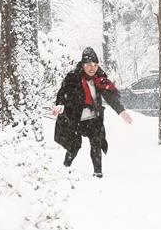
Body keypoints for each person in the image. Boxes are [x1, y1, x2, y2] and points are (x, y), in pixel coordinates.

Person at [52, 47, 132, 178]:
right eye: (89, 64)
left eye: (95, 64)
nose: (92, 68)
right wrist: (60, 105)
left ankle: (98, 173)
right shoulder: (72, 78)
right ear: (83, 65)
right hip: (75, 118)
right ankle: (65, 167)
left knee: (97, 141)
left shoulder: (100, 78)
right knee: (74, 145)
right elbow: (63, 93)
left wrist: (121, 111)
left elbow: (110, 96)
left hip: (93, 118)